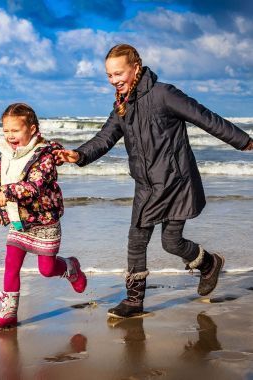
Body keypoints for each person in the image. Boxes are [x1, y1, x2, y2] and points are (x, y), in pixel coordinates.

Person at [54, 44, 253, 319]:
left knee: (171, 243)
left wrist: (245, 142)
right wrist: (77, 155)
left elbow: (205, 117)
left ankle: (208, 263)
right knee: (136, 242)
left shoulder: (164, 94)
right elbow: (104, 138)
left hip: (176, 182)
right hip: (146, 187)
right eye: (109, 75)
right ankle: (134, 301)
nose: (114, 80)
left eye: (118, 73)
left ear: (136, 67)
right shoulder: (122, 106)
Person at [0, 103, 87, 330]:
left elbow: (36, 186)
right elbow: (0, 182)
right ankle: (8, 312)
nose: (10, 136)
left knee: (47, 269)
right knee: (11, 265)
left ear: (32, 129)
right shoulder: (5, 154)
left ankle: (71, 268)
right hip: (19, 220)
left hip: (44, 219)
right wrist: (0, 210)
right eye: (6, 131)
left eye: (15, 130)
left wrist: (9, 192)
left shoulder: (45, 156)